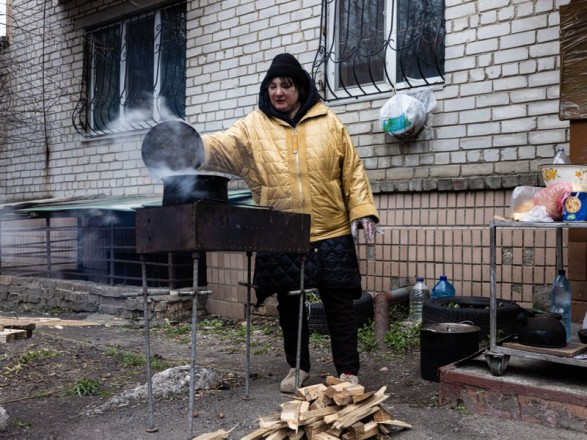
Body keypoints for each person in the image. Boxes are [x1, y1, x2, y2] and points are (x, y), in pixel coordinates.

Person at [199, 53, 379, 393]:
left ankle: (348, 372)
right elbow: (223, 146)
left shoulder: (328, 121)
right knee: (290, 305)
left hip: (331, 228)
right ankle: (298, 368)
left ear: (300, 87)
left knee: (340, 304)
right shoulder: (254, 126)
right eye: (272, 86)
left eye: (286, 85)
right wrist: (192, 145)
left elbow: (352, 171)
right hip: (281, 230)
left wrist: (362, 209)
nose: (278, 92)